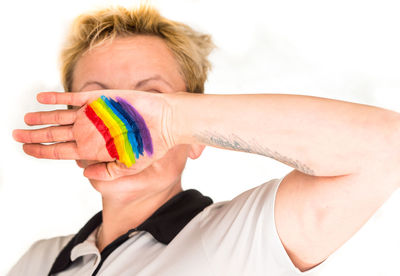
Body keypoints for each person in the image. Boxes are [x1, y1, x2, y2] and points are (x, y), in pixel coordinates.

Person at [9, 5, 400, 276]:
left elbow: (387, 145)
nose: (119, 128)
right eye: (99, 103)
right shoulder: (40, 262)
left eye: (147, 103)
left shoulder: (239, 239)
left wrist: (171, 120)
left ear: (193, 136)